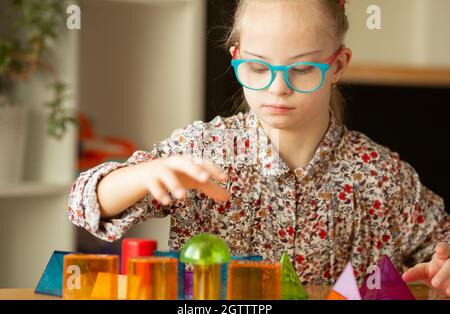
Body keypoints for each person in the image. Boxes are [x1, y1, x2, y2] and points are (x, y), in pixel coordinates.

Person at [68, 0, 450, 294]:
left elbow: (443, 243)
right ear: (236, 58)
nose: (277, 87)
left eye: (301, 69)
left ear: (337, 66)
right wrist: (141, 174)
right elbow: (83, 205)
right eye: (258, 67)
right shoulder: (203, 150)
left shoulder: (382, 177)